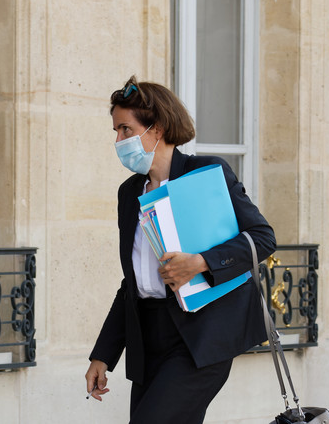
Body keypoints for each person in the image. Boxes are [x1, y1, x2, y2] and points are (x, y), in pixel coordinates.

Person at [85, 76, 277, 423]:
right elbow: (132, 284)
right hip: (149, 340)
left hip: (200, 336)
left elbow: (262, 238)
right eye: (116, 131)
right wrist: (103, 355)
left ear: (156, 129)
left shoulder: (207, 171)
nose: (118, 141)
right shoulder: (129, 193)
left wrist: (201, 262)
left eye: (126, 130)